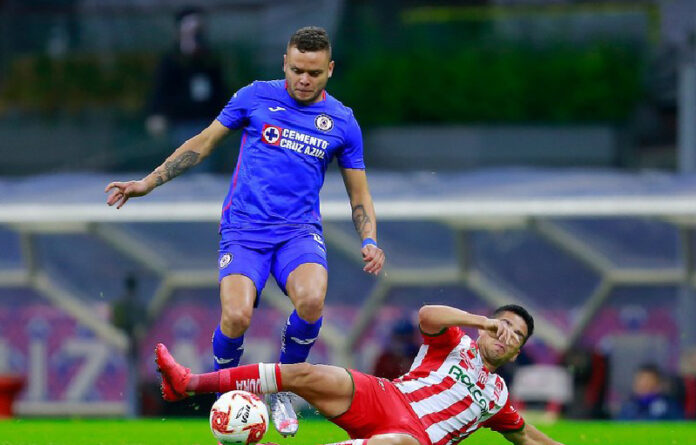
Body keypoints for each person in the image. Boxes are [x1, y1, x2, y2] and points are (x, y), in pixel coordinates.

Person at [105, 26, 385, 436]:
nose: (303, 80)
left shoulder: (342, 122)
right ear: (284, 64)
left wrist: (370, 239)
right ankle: (227, 395)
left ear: (330, 69)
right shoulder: (255, 96)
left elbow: (358, 190)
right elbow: (203, 142)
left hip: (298, 232)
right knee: (235, 316)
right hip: (245, 230)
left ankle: (285, 388)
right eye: (296, 70)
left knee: (310, 301)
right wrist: (149, 181)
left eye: (313, 72)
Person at [156, 304, 566, 445]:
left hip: (415, 436)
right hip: (385, 395)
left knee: (401, 444)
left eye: (517, 334)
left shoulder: (496, 397)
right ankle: (187, 384)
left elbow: (529, 437)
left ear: (516, 354)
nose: (506, 333)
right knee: (307, 374)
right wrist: (483, 319)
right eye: (503, 324)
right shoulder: (456, 341)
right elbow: (426, 315)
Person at [145, 6, 230, 172]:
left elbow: (220, 88)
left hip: (208, 120)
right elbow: (162, 88)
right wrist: (156, 113)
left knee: (205, 167)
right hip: (182, 121)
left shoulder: (210, 59)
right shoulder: (171, 59)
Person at [618, 363, 683, 421]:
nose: (643, 385)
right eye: (640, 381)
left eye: (647, 381)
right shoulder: (628, 407)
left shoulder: (669, 407)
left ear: (658, 385)